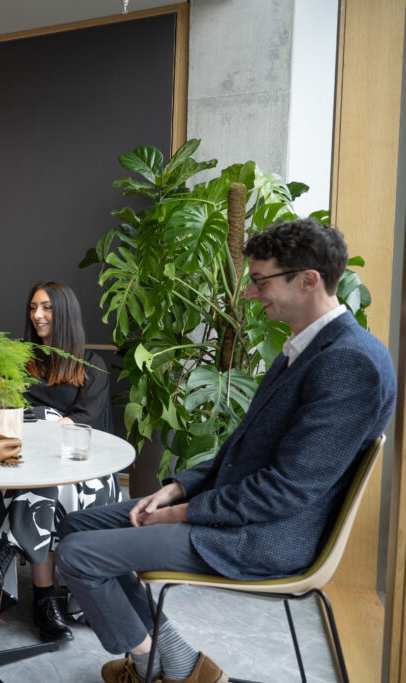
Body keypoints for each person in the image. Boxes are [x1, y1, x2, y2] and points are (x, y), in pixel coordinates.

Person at [55, 219, 396, 683]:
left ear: (308, 279)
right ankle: (173, 662)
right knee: (76, 525)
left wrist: (185, 513)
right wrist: (177, 489)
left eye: (260, 282)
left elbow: (286, 490)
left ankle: (160, 665)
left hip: (265, 534)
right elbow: (240, 450)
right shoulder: (308, 347)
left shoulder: (348, 362)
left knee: (79, 556)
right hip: (236, 509)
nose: (252, 295)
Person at [0, 281, 121, 642]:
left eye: (47, 307)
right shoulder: (16, 359)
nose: (37, 315)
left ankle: (13, 554)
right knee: (37, 484)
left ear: (65, 312)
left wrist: (45, 422)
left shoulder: (91, 364)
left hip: (73, 463)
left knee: (47, 482)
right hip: (17, 452)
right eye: (33, 307)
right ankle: (43, 599)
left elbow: (85, 421)